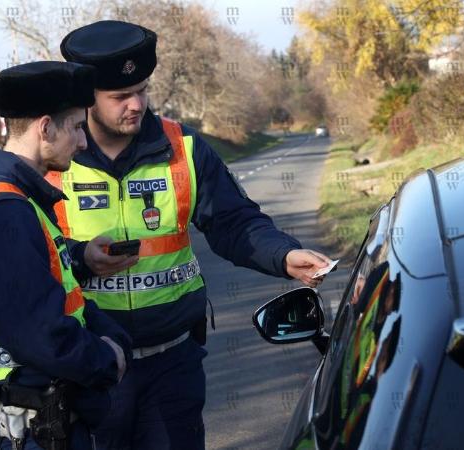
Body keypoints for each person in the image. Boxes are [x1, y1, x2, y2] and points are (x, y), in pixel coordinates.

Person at [48, 20, 334, 449]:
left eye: (142, 90)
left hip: (172, 364)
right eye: (121, 96)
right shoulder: (54, 157)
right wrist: (80, 258)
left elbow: (234, 222)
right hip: (90, 364)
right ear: (88, 98)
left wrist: (284, 255)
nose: (136, 104)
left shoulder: (183, 147)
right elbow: (30, 254)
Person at [0, 61, 131, 450]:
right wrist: (104, 358)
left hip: (47, 416)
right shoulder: (6, 212)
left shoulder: (19, 198)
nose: (84, 142)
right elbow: (36, 333)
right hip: (39, 423)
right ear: (45, 128)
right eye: (77, 127)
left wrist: (114, 337)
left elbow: (63, 298)